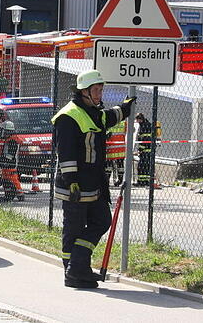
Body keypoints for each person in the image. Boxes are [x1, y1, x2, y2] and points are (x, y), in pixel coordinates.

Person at [52, 70, 135, 289]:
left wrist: (125, 108)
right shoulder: (68, 116)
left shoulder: (91, 111)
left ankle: (77, 266)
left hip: (94, 183)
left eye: (101, 90)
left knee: (101, 220)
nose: (99, 94)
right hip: (76, 185)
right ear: (83, 92)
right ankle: (73, 273)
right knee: (74, 228)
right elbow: (66, 153)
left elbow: (106, 118)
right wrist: (72, 182)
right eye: (95, 90)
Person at [135, 113, 154, 187]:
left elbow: (144, 139)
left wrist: (140, 150)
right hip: (149, 150)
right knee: (146, 166)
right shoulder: (147, 124)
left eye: (137, 120)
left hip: (145, 150)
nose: (137, 121)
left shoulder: (144, 126)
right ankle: (146, 181)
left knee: (141, 167)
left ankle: (141, 182)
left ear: (140, 119)